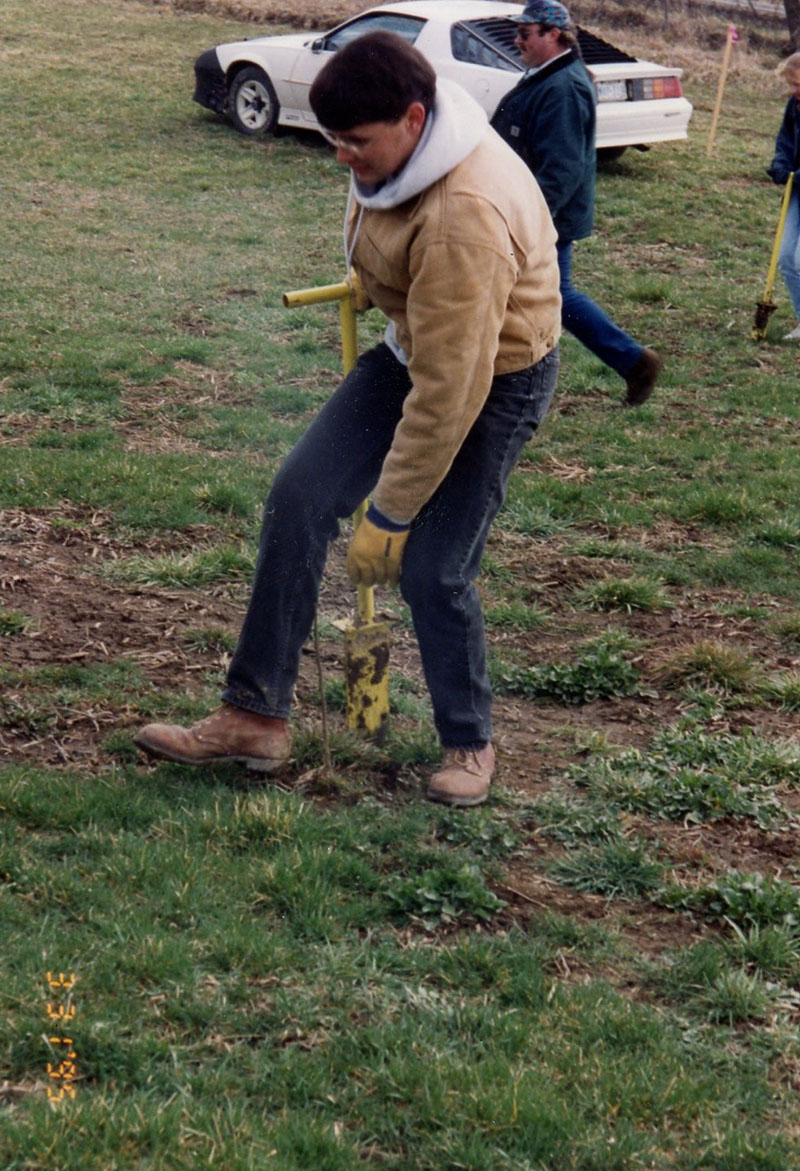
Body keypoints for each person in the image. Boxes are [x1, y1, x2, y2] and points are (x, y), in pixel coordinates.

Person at [134, 31, 561, 807]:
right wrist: (382, 281)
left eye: (355, 143)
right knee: (300, 495)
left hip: (493, 378)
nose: (342, 158)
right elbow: (387, 229)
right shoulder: (401, 140)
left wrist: (390, 514)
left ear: (411, 116)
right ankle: (253, 715)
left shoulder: (464, 211)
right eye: (334, 140)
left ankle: (469, 741)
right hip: (418, 346)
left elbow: (450, 390)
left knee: (432, 565)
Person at [491, 0, 661, 405]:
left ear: (554, 35)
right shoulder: (548, 76)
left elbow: (562, 170)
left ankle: (634, 361)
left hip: (543, 217)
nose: (517, 41)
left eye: (525, 33)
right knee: (537, 294)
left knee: (553, 296)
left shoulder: (563, 87)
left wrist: (525, 221)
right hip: (531, 211)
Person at [767, 51, 800, 341]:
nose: (793, 91)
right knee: (787, 254)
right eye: (791, 84)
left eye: (798, 85)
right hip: (797, 191)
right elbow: (785, 141)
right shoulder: (795, 106)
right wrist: (781, 164)